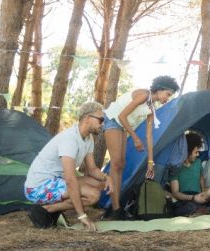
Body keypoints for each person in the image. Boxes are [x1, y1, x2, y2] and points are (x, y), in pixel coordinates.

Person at [24, 101, 110, 231]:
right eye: (101, 119)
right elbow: (70, 179)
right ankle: (46, 209)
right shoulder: (70, 139)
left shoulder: (88, 138)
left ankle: (50, 208)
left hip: (56, 180)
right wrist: (82, 216)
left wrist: (106, 177)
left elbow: (92, 169)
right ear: (87, 118)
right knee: (93, 195)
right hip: (37, 187)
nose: (103, 123)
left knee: (98, 184)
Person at [103, 75, 179, 219]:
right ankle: (114, 209)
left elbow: (149, 136)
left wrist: (151, 162)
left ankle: (116, 208)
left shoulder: (152, 107)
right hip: (113, 120)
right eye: (168, 94)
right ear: (160, 89)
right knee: (116, 163)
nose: (167, 98)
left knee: (121, 164)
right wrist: (136, 138)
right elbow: (121, 116)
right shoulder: (144, 95)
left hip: (123, 127)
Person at [168, 132, 210, 216]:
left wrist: (203, 191)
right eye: (196, 152)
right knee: (190, 207)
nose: (198, 155)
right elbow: (175, 193)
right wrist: (193, 198)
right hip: (185, 199)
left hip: (199, 196)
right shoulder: (176, 166)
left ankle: (202, 208)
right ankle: (200, 209)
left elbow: (201, 177)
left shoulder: (198, 162)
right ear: (187, 151)